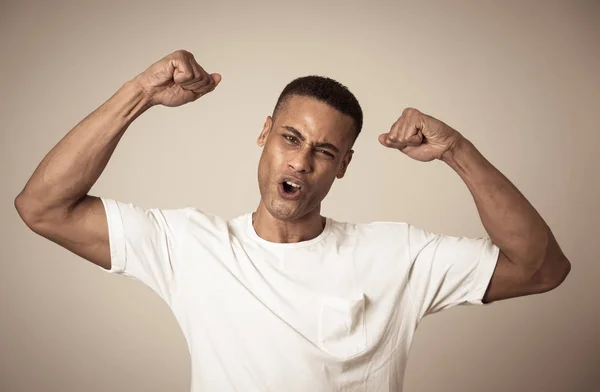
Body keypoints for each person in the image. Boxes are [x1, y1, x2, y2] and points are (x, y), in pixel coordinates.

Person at [14, 49, 571, 392]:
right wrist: (139, 93)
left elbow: (541, 268)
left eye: (325, 152)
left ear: (344, 166)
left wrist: (458, 150)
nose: (300, 163)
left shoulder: (396, 255)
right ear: (265, 134)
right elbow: (42, 206)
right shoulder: (191, 247)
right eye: (290, 138)